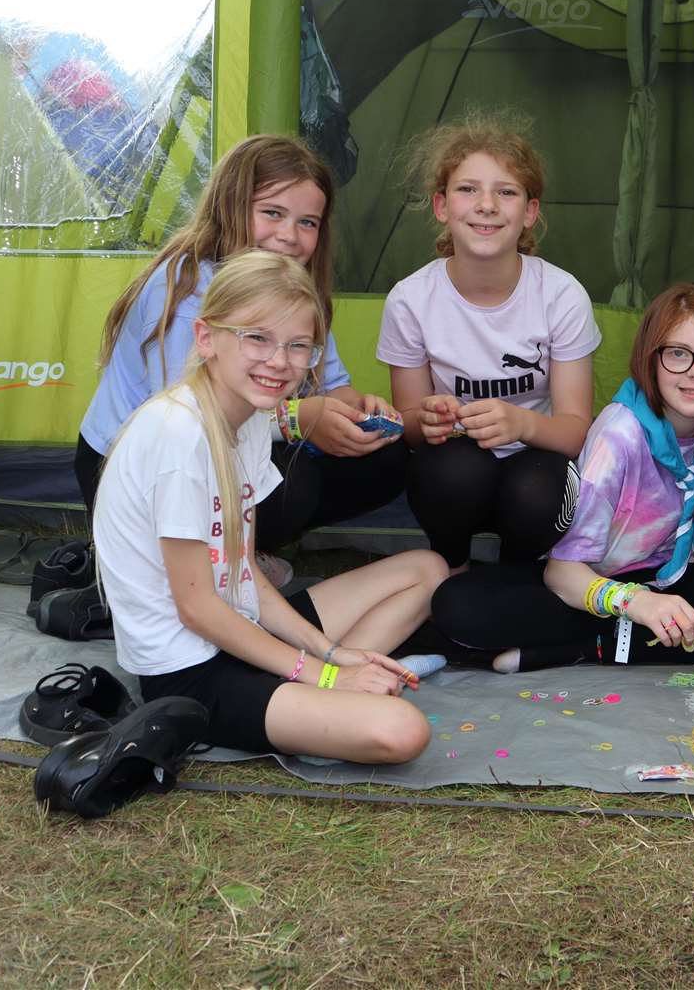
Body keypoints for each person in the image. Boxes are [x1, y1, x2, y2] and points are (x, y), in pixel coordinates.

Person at [92, 250, 446, 761]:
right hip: (191, 672)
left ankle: (328, 688)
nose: (279, 361)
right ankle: (323, 695)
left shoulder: (252, 421)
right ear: (207, 338)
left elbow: (244, 574)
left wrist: (332, 654)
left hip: (244, 630)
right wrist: (323, 673)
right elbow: (197, 609)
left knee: (428, 570)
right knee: (402, 731)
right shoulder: (178, 435)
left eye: (298, 346)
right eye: (256, 337)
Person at [431, 284, 694, 672]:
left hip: (674, 577)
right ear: (650, 359)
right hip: (594, 584)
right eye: (678, 354)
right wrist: (638, 605)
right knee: (459, 606)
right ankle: (624, 640)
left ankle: (584, 648)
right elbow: (562, 571)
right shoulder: (620, 435)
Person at [78, 135, 407, 583]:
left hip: (242, 441)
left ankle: (242, 549)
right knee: (295, 485)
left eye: (307, 222)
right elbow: (182, 417)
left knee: (385, 461)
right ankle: (205, 561)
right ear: (232, 206)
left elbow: (333, 385)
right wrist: (301, 419)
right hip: (141, 466)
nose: (289, 236)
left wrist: (360, 414)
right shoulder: (184, 284)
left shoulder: (294, 287)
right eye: (271, 213)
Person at [377, 112, 600, 569]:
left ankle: (519, 571)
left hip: (536, 455)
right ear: (442, 206)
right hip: (458, 461)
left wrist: (521, 425)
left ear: (530, 212)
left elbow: (576, 429)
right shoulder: (411, 299)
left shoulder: (561, 295)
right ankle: (451, 565)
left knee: (539, 489)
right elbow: (408, 424)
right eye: (468, 189)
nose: (487, 204)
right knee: (452, 470)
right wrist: (430, 419)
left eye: (506, 191)